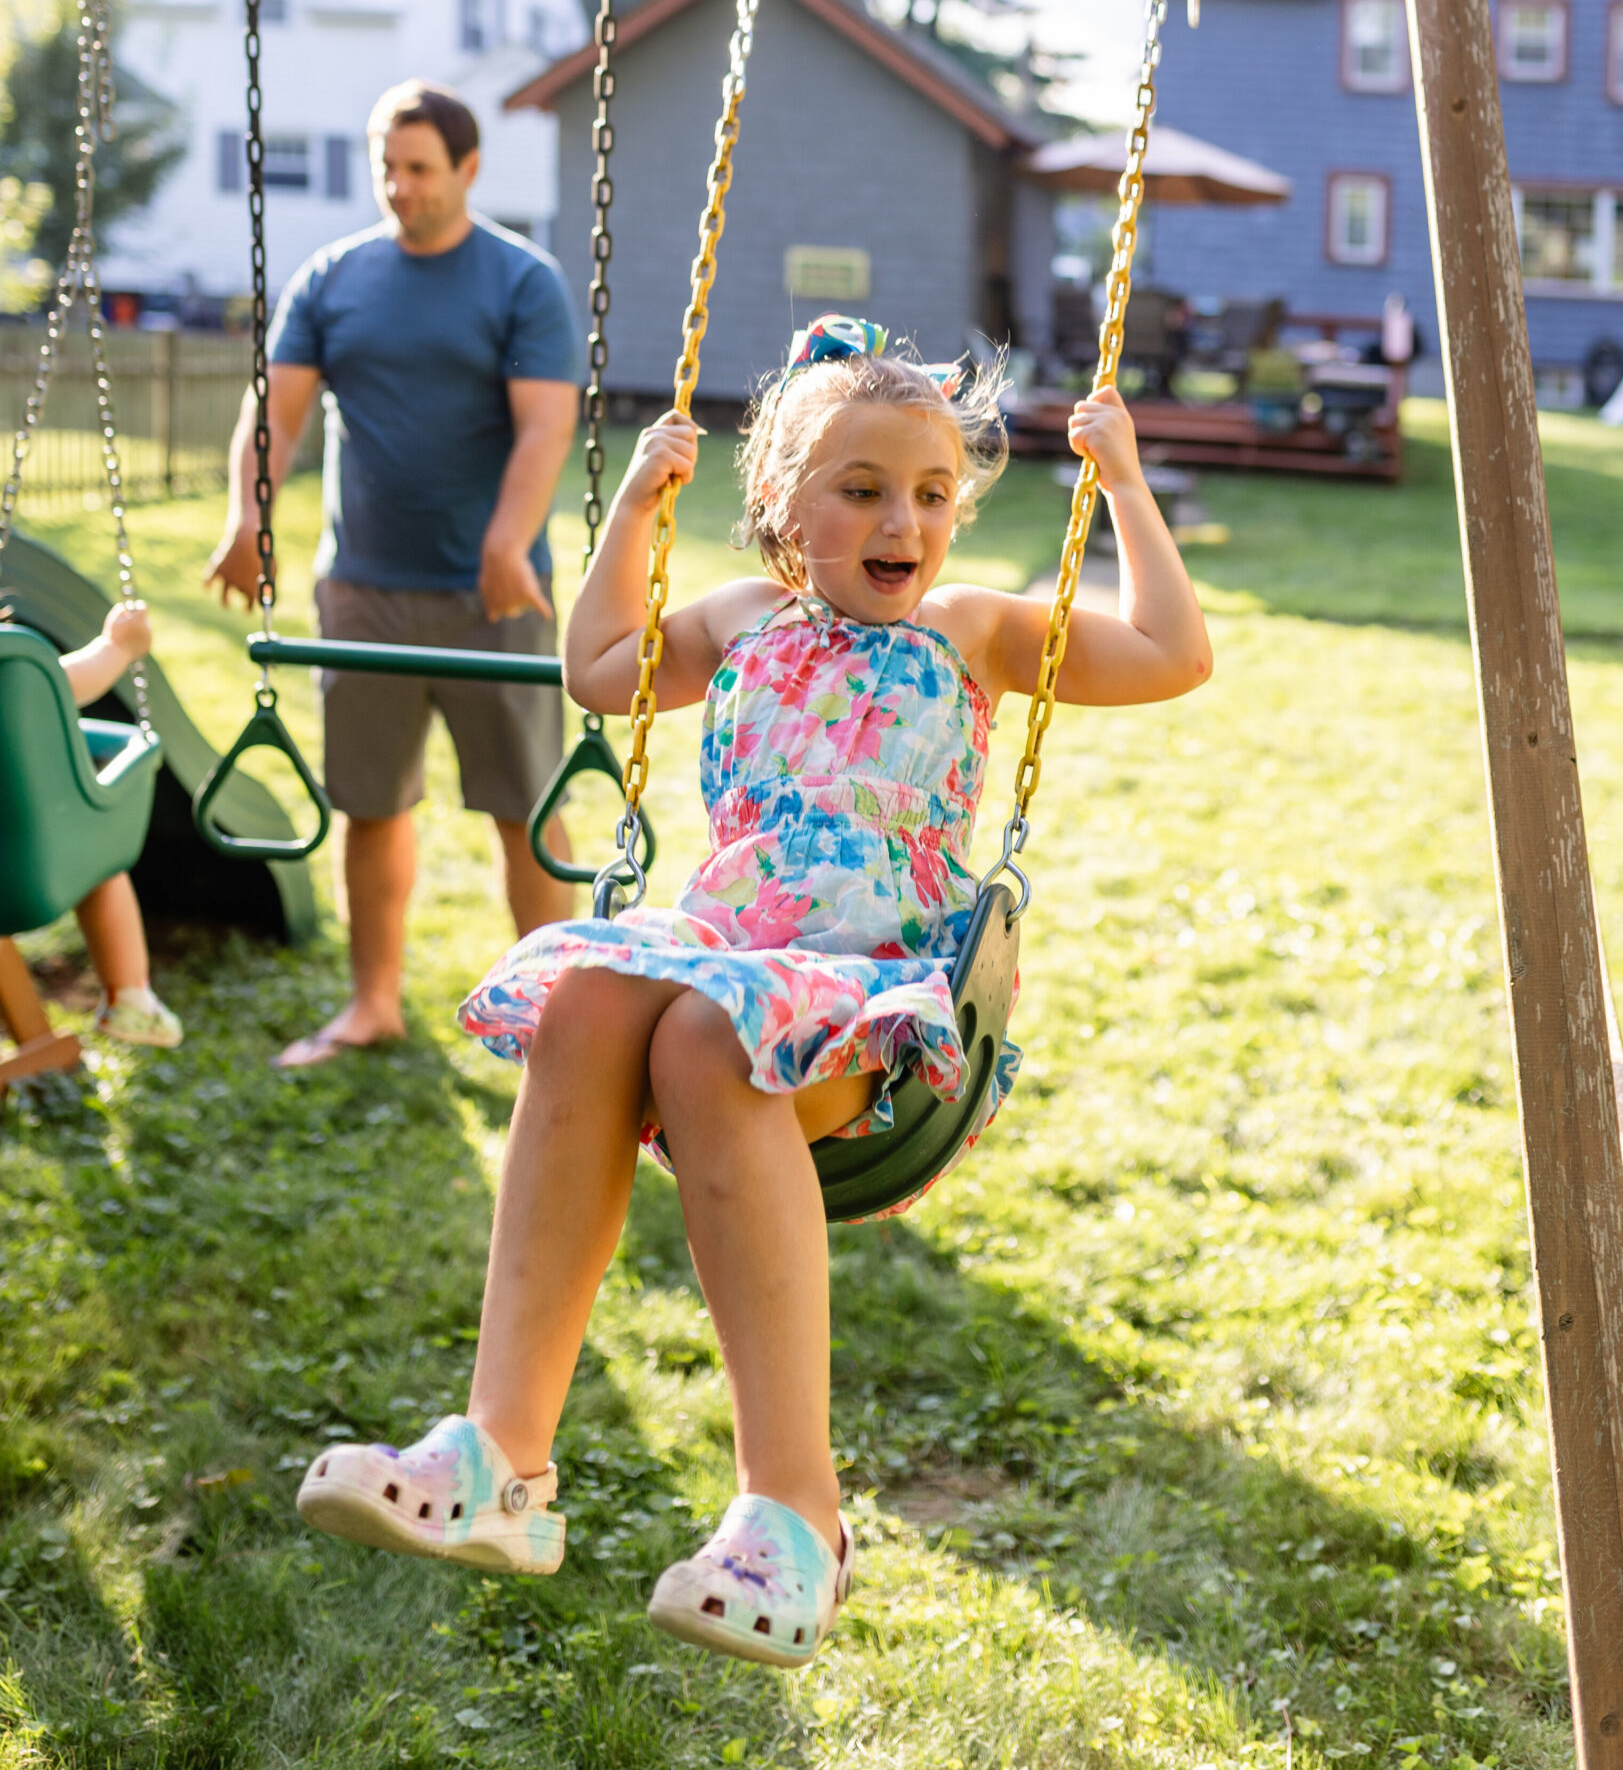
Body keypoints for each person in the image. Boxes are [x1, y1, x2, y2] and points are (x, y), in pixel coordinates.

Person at [294, 315, 1212, 1667]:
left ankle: (794, 1512)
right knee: (594, 1000)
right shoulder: (735, 623)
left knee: (712, 1038)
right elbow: (598, 670)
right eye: (861, 491)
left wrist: (1119, 482)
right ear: (783, 506)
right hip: (725, 953)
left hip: (870, 999)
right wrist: (632, 511)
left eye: (929, 493)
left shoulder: (975, 633)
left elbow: (1171, 653)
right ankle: (503, 1461)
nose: (902, 518)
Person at [203, 80, 581, 1070]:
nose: (399, 187)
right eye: (386, 166)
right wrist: (249, 513)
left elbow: (546, 424)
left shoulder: (519, 280)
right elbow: (277, 413)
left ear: (467, 169)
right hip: (361, 588)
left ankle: (558, 1022)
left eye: (419, 168)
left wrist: (507, 541)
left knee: (527, 807)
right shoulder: (335, 277)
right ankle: (373, 1004)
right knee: (370, 805)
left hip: (493, 592)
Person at [0, 510, 183, 1055]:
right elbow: (59, 687)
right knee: (100, 863)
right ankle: (130, 999)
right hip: (12, 855)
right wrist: (118, 647)